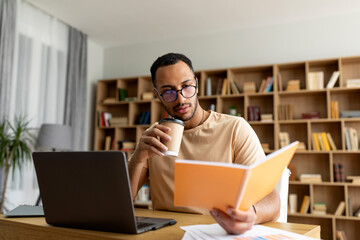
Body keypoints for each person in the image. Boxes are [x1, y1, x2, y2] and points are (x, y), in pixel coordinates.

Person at [128, 53, 280, 234]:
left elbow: (272, 199)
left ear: (197, 85)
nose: (181, 99)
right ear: (157, 95)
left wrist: (251, 215)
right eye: (168, 92)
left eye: (186, 87)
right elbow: (121, 203)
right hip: (165, 234)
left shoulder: (234, 128)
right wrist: (138, 158)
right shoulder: (154, 136)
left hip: (218, 232)